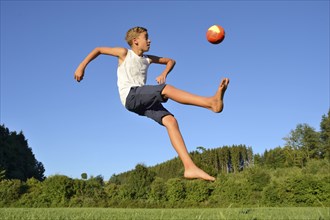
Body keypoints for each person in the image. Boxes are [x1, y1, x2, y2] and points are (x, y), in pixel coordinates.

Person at [74, 26, 229, 181]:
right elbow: (98, 49)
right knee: (165, 89)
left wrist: (164, 73)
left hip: (141, 100)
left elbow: (170, 61)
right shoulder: (124, 53)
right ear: (135, 41)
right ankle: (210, 103)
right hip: (131, 95)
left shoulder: (147, 59)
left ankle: (189, 167)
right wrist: (82, 67)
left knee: (171, 121)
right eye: (146, 37)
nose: (149, 40)